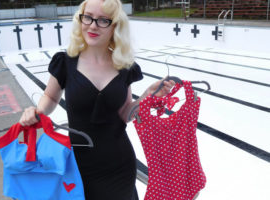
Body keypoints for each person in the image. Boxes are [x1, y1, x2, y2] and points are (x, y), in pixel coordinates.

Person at [19, 0, 175, 199]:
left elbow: (125, 113)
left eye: (103, 20)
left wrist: (146, 96)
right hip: (77, 163)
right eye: (88, 17)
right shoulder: (65, 62)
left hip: (119, 162)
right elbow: (50, 96)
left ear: (115, 27)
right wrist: (37, 111)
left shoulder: (124, 66)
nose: (92, 25)